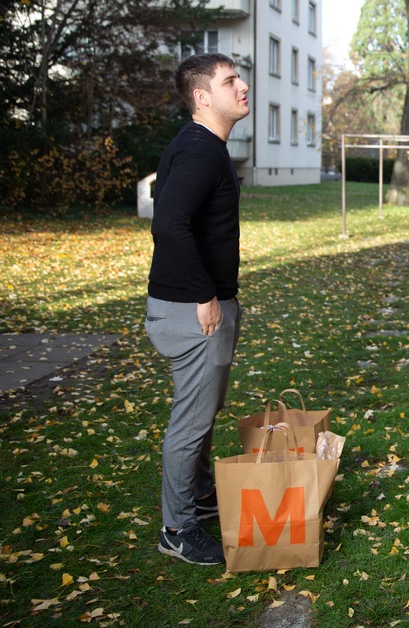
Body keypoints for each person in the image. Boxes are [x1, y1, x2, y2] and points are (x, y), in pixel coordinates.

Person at [146, 53, 250, 565]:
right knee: (189, 423)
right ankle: (177, 528)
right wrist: (205, 297)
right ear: (203, 97)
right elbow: (168, 225)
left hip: (202, 306)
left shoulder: (206, 147)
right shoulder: (199, 151)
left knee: (203, 413)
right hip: (193, 311)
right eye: (231, 80)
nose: (243, 86)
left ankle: (202, 495)